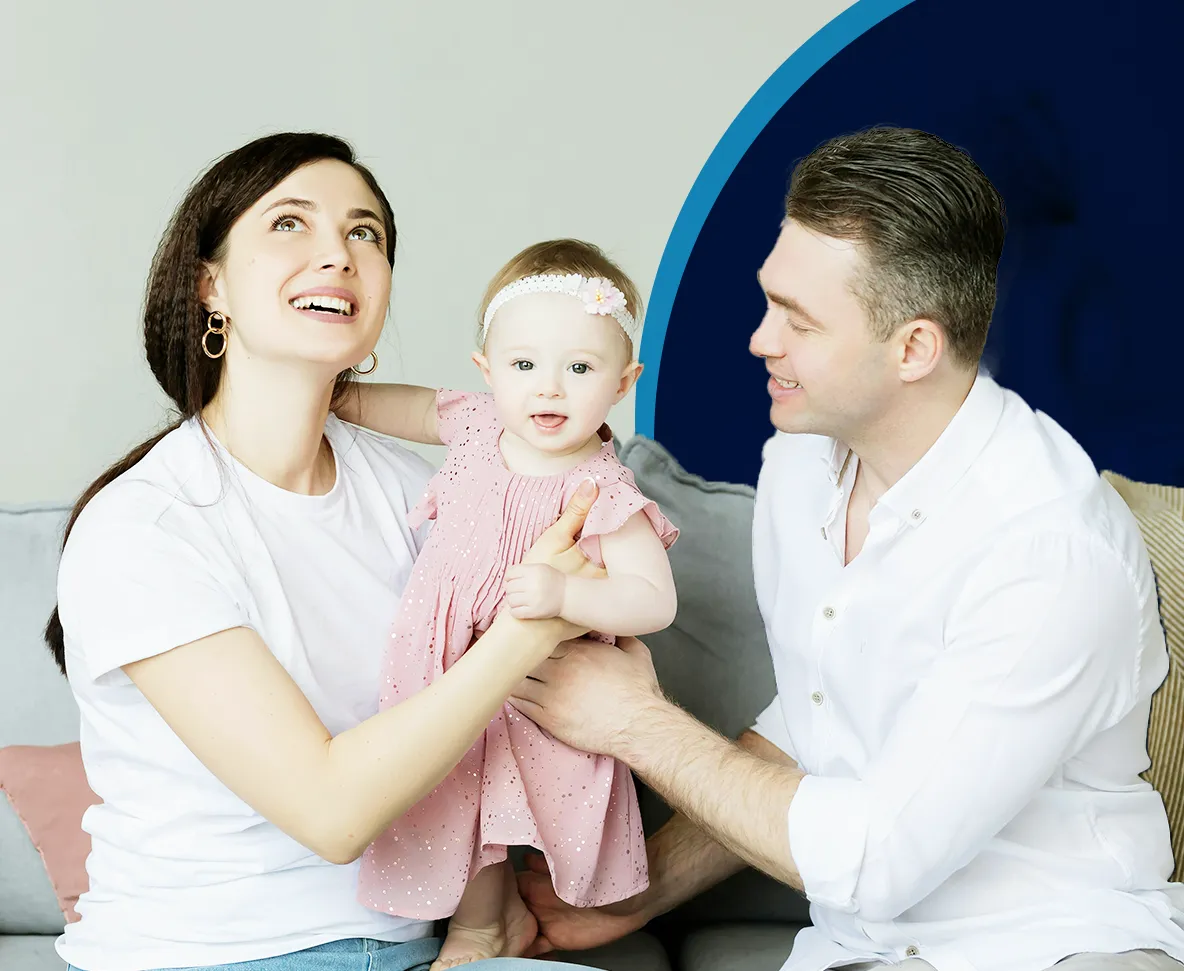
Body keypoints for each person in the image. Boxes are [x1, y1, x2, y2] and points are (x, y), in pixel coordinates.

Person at [511, 128, 1184, 971]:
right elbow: (817, 721)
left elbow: (876, 861)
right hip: (852, 950)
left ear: (914, 348)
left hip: (1057, 947)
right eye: (770, 302)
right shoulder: (797, 465)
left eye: (799, 322)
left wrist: (634, 722)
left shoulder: (1050, 552)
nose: (761, 340)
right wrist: (645, 891)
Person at [47, 132, 604, 971]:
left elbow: (485, 724)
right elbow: (331, 813)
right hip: (206, 955)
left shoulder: (414, 489)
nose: (338, 255)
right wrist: (528, 629)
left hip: (410, 944)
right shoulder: (145, 527)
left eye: (364, 233)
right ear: (210, 285)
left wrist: (483, 924)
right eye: (289, 223)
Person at [337, 239, 678, 969]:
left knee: (500, 807)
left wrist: (567, 592)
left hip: (532, 684)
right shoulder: (475, 424)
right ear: (487, 371)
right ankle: (487, 921)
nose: (548, 390)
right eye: (524, 366)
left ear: (624, 382)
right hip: (445, 666)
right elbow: (408, 406)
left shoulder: (603, 488)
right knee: (453, 793)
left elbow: (654, 600)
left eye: (579, 369)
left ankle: (489, 928)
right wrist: (330, 393)